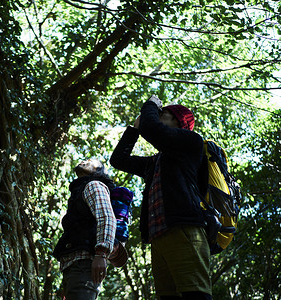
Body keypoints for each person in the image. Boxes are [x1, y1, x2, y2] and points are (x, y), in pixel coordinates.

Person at [110, 95, 212, 299]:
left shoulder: (191, 142)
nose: (157, 118)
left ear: (178, 121)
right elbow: (118, 160)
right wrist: (134, 130)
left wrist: (150, 105)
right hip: (158, 237)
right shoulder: (156, 161)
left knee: (195, 294)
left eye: (162, 114)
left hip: (184, 229)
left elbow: (152, 129)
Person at [52, 158, 127, 300]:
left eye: (91, 161)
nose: (84, 161)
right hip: (75, 267)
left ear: (99, 171)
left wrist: (101, 254)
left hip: (84, 265)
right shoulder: (80, 190)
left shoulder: (94, 185)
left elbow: (106, 217)